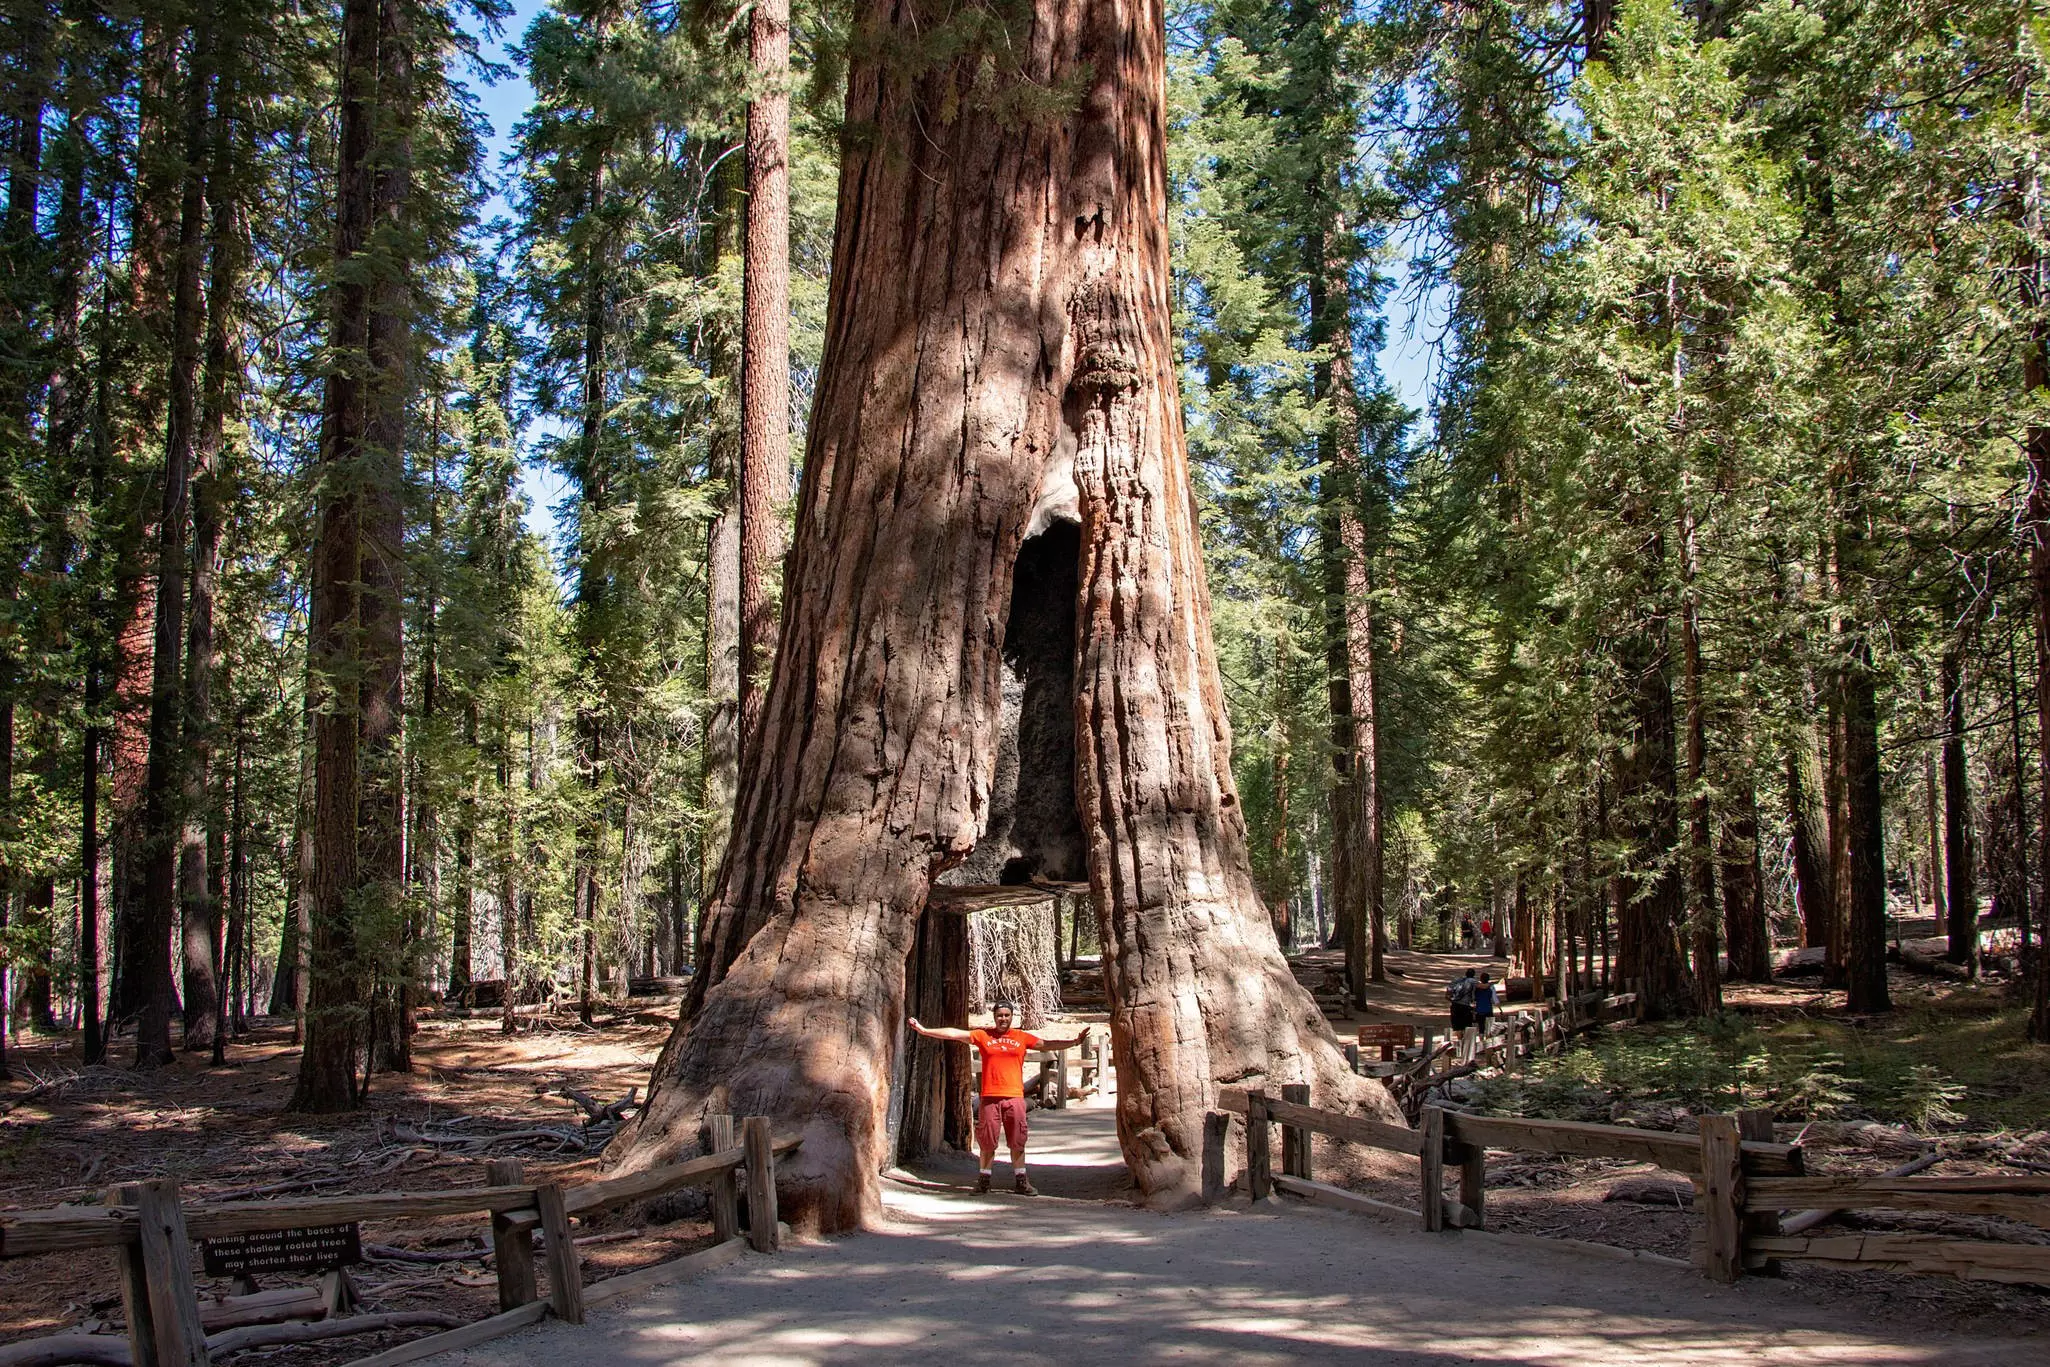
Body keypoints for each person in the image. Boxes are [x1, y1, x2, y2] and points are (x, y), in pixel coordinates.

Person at [909, 1003, 1088, 1194]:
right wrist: (925, 1030)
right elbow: (954, 1033)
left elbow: (1046, 1044)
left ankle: (1021, 1180)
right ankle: (984, 1180)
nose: (1003, 1019)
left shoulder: (1021, 1037)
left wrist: (1074, 1042)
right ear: (994, 1017)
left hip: (1014, 1097)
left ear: (1012, 1017)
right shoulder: (983, 1035)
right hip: (990, 1097)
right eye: (1000, 1015)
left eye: (1007, 1015)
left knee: (1018, 1140)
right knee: (987, 1141)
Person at [1473, 972, 1498, 1040]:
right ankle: (1488, 1041)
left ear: (1481, 979)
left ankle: (1481, 1040)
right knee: (1489, 1027)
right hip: (1488, 1009)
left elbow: (1473, 998)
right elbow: (1495, 999)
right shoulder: (1491, 987)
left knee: (1481, 1027)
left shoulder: (1477, 988)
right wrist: (1500, 1009)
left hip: (1479, 1010)